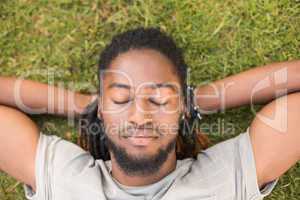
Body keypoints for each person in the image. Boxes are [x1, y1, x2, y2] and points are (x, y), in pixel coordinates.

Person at [0, 27, 299, 200]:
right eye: (121, 98)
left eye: (158, 99)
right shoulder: (64, 179)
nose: (140, 116)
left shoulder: (224, 178)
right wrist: (88, 106)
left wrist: (194, 101)